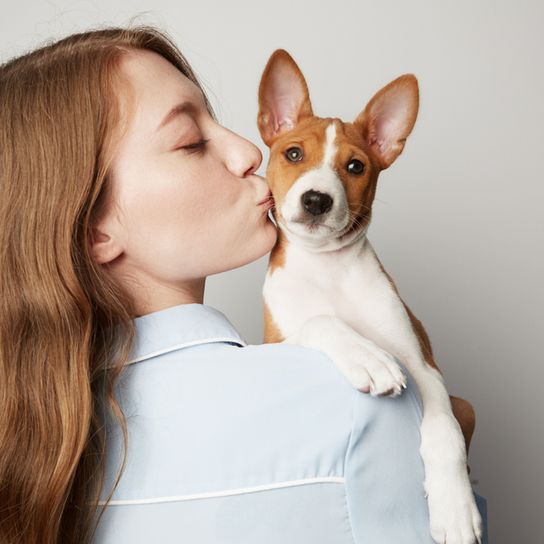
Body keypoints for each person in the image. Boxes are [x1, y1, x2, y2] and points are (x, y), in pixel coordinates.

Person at [0, 25, 487, 544]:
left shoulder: (40, 443)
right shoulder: (355, 405)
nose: (251, 152)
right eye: (190, 141)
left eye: (217, 120)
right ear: (97, 230)